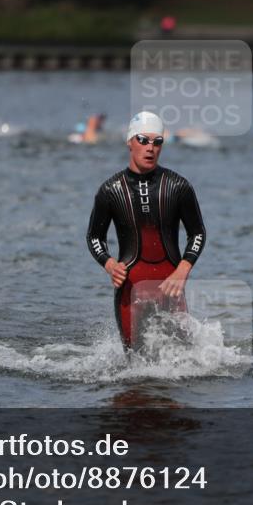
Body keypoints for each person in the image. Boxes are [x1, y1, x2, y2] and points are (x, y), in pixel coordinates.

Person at [86, 111, 206, 352]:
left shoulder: (178, 187)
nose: (150, 147)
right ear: (129, 142)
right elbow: (94, 237)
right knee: (134, 372)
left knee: (183, 367)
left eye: (157, 141)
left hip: (170, 287)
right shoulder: (110, 190)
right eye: (143, 140)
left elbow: (198, 233)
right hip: (130, 289)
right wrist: (109, 264)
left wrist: (183, 269)